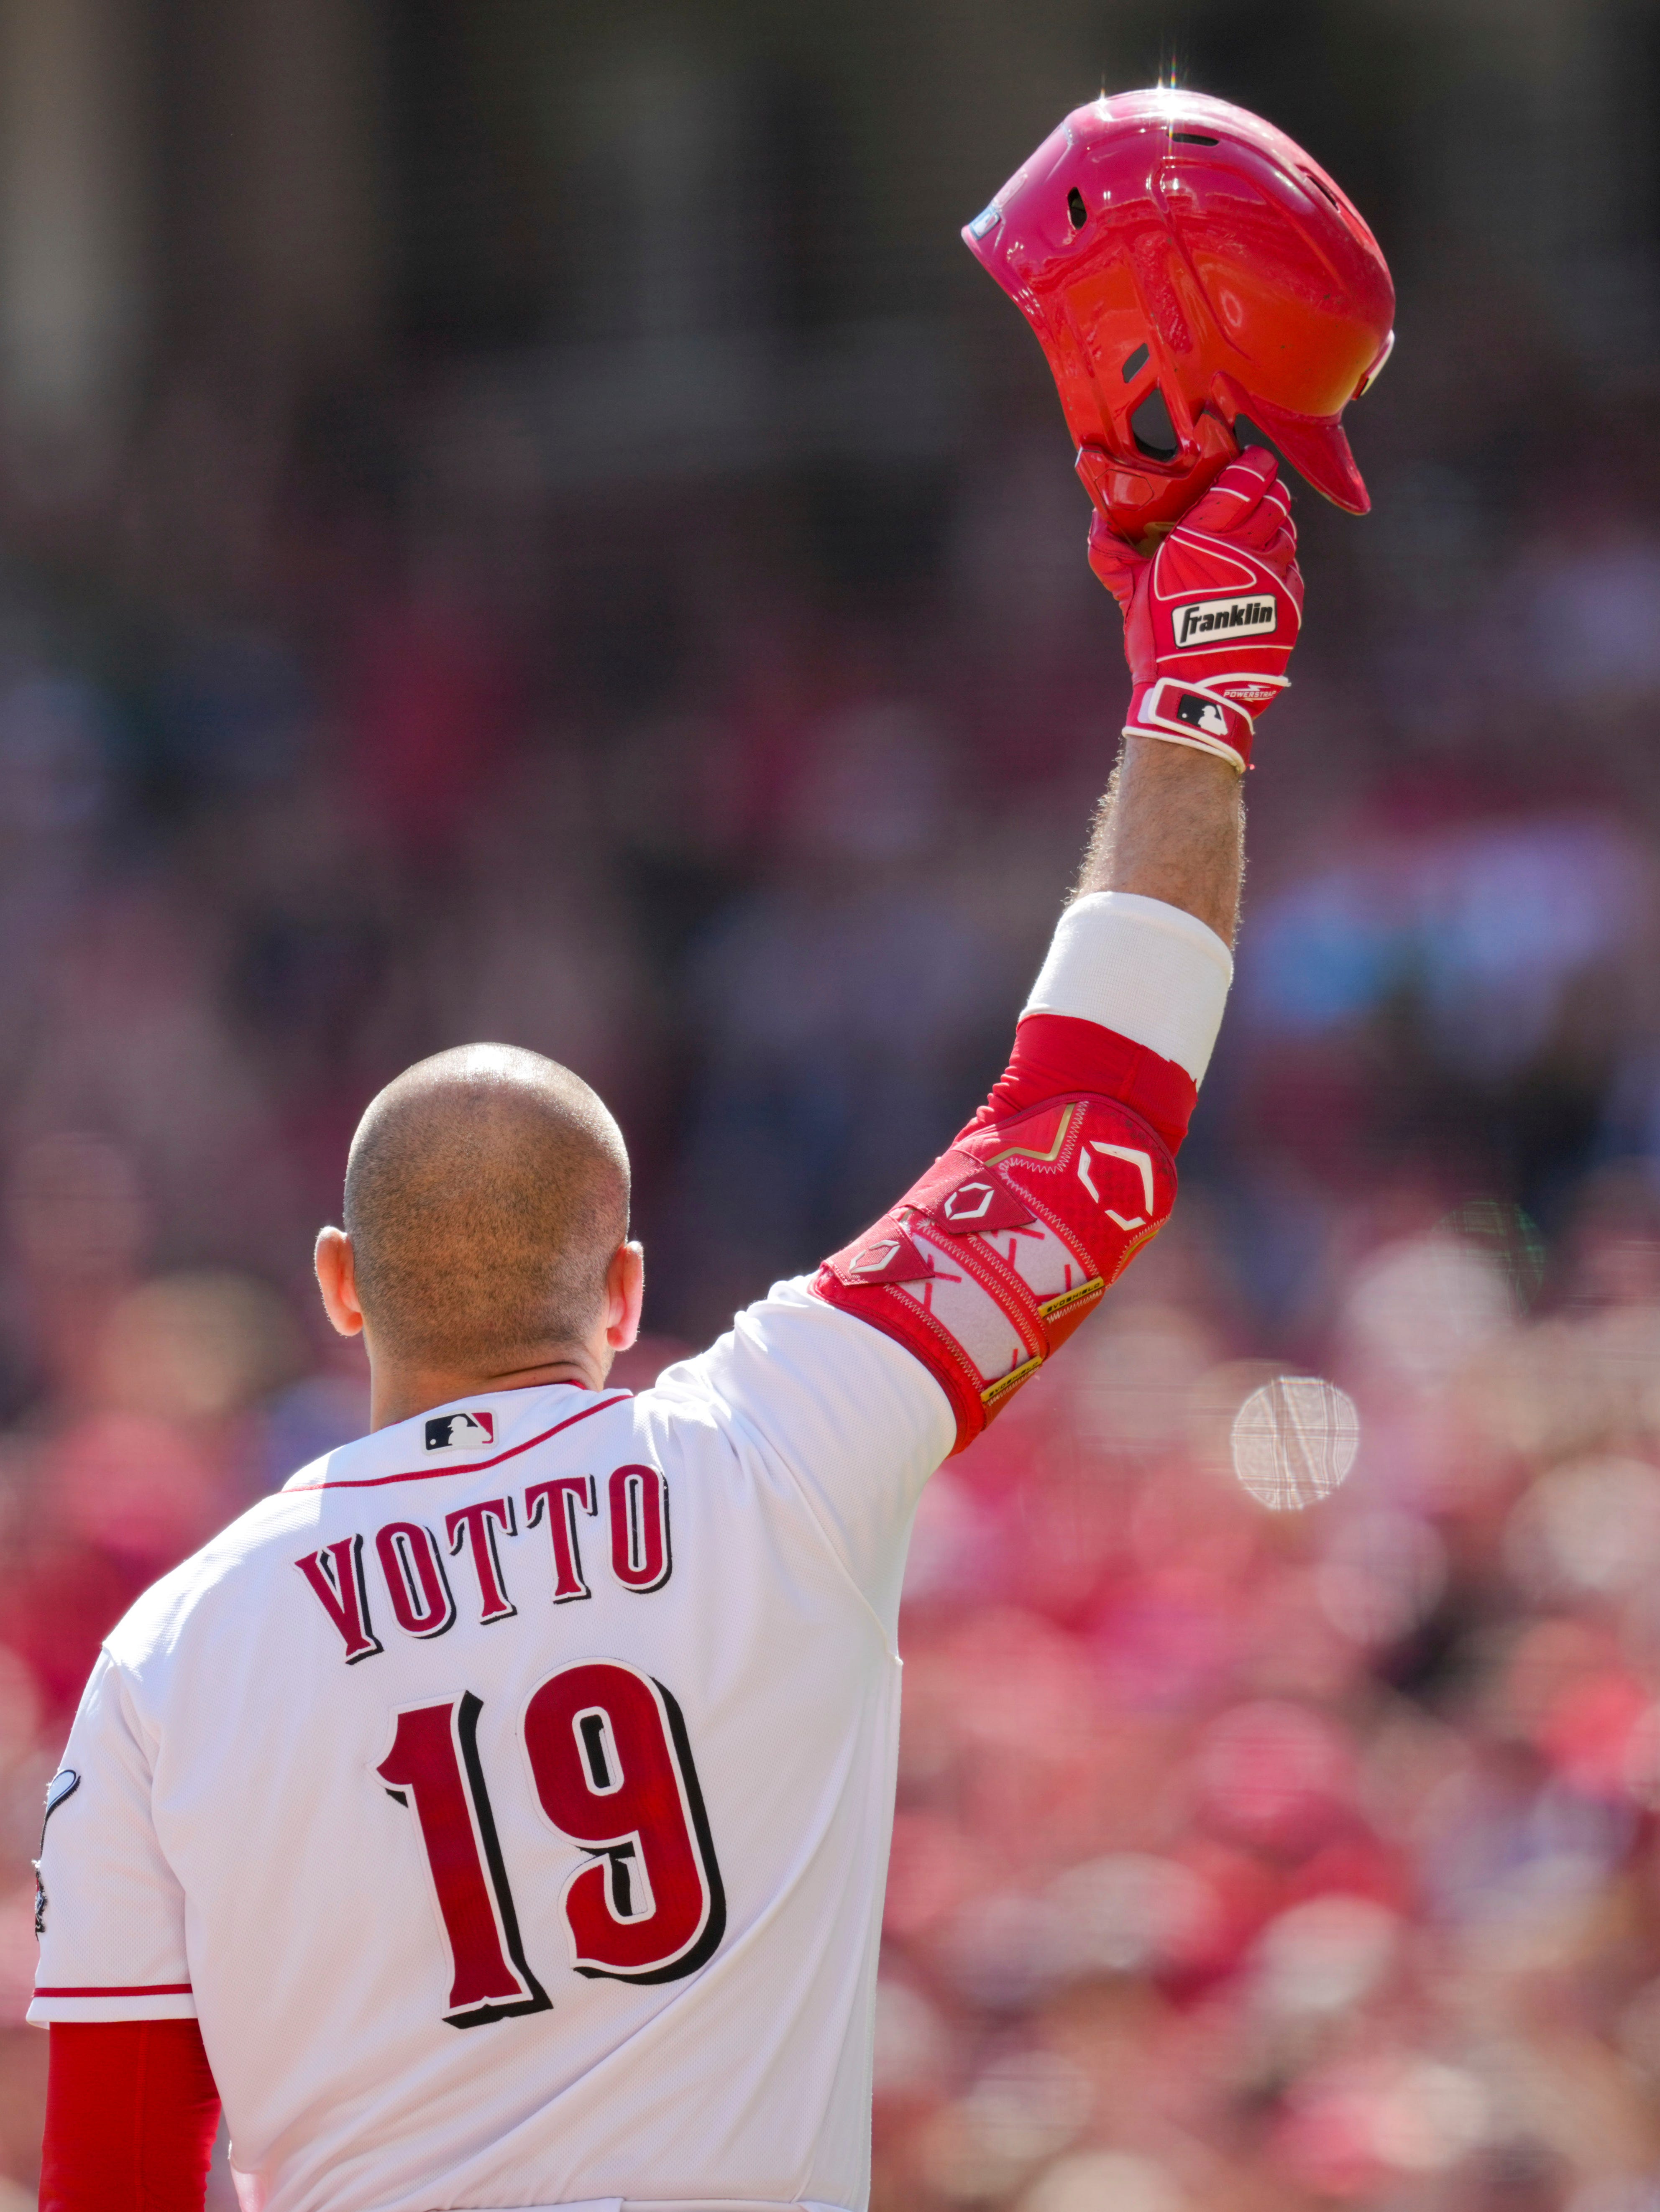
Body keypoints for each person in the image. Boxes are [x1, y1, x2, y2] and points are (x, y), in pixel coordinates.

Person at [33, 448, 1300, 2212]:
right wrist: (1199, 689)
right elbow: (1088, 1132)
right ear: (624, 1293)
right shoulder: (772, 1449)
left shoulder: (166, 1659)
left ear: (340, 1288)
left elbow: (112, 2183)